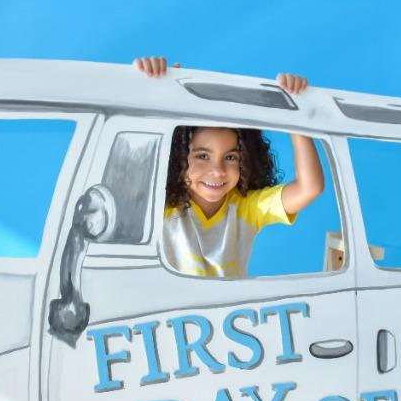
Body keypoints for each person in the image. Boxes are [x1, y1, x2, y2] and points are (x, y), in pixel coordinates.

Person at [134, 56, 325, 278]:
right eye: (203, 156)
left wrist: (295, 115)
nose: (218, 170)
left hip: (228, 314)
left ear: (246, 159)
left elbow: (309, 188)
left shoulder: (246, 209)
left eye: (231, 157)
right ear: (177, 157)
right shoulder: (160, 206)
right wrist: (151, 93)